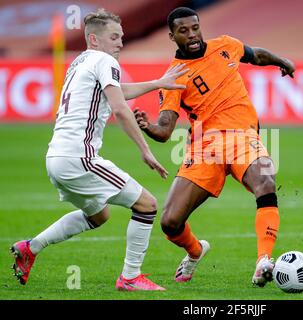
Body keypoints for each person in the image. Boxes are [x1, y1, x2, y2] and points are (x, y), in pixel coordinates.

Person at [10, 8, 188, 291]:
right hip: (79, 158)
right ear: (95, 39)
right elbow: (119, 107)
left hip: (56, 158)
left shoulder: (80, 61)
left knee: (99, 216)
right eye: (115, 37)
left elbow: (116, 91)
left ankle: (30, 248)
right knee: (147, 205)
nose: (120, 43)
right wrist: (145, 150)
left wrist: (157, 83)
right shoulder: (104, 60)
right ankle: (130, 278)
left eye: (122, 37)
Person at [134, 7, 295, 287]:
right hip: (205, 147)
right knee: (170, 222)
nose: (192, 35)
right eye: (183, 31)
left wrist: (283, 61)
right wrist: (149, 127)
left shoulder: (225, 45)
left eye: (195, 27)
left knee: (266, 182)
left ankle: (263, 261)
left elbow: (256, 54)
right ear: (172, 36)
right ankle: (195, 251)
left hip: (243, 136)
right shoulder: (173, 78)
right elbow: (165, 129)